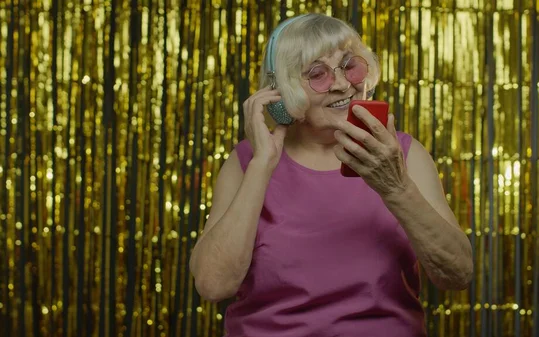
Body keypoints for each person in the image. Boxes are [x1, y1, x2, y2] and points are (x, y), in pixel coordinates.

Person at [189, 13, 473, 337]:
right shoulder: (246, 161)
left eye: (351, 65)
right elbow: (213, 285)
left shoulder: (404, 154)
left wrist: (395, 187)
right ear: (282, 91)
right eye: (317, 74)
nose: (342, 84)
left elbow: (457, 274)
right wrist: (262, 165)